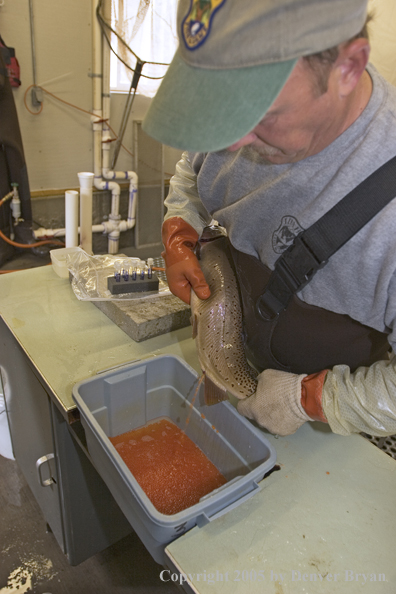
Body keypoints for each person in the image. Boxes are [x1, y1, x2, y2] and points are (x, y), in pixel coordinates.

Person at [142, 0, 396, 438]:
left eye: (259, 112)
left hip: (335, 436)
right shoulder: (239, 135)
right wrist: (180, 228)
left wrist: (311, 399)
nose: (232, 140)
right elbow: (193, 168)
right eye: (223, 110)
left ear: (349, 66)